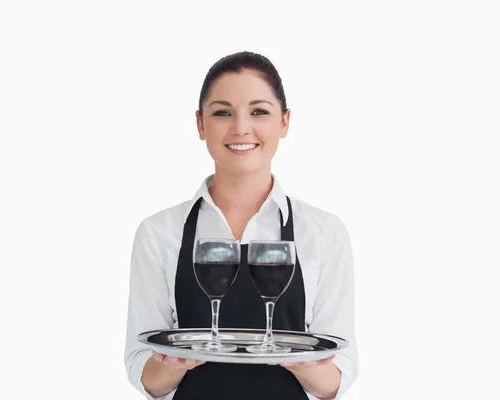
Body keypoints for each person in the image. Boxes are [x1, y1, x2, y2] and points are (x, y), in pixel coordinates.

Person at [124, 51, 358, 400]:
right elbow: (147, 378)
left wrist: (300, 360)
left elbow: (337, 380)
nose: (240, 128)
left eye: (259, 111)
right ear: (201, 125)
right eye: (222, 113)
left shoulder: (323, 233)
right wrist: (175, 362)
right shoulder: (159, 232)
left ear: (284, 122)